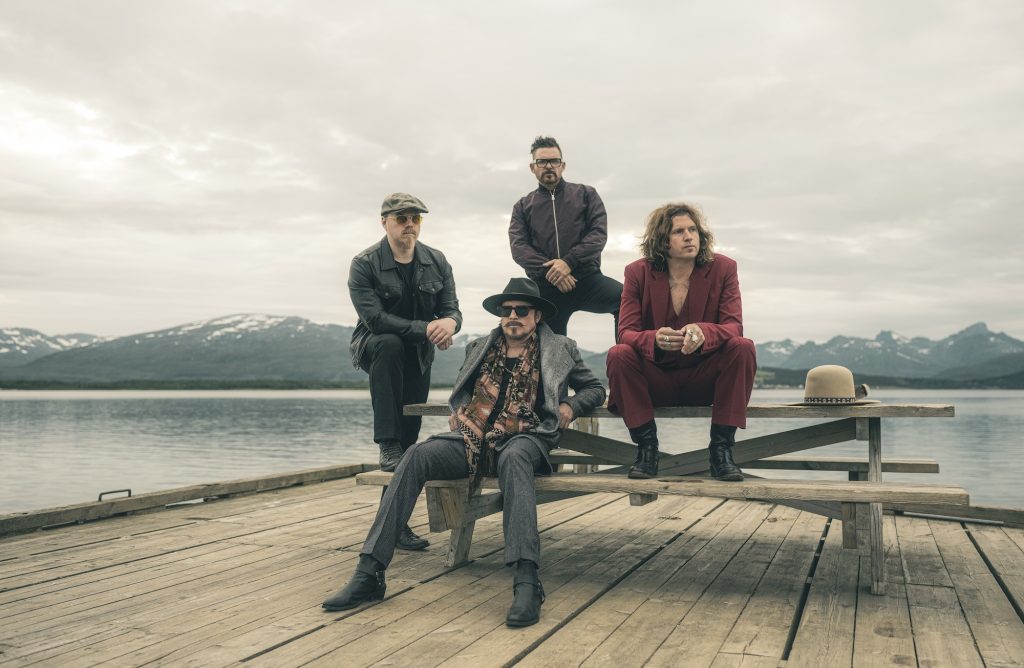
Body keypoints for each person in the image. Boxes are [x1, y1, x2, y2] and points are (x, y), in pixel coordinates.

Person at [324, 277, 606, 628]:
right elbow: (463, 393)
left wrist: (571, 405)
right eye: (506, 310)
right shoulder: (479, 347)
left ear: (537, 316)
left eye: (521, 310)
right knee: (417, 454)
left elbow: (595, 388)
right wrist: (459, 410)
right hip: (473, 439)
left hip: (526, 437)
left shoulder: (561, 348)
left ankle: (527, 581)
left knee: (514, 458)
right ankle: (369, 572)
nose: (512, 316)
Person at [606, 203, 756, 481]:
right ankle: (647, 449)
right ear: (662, 240)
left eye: (693, 230)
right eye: (679, 232)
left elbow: (734, 326)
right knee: (618, 353)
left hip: (704, 379)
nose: (689, 237)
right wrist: (653, 339)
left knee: (743, 347)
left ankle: (721, 452)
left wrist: (704, 332)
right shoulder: (636, 273)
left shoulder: (724, 268)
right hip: (655, 380)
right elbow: (625, 331)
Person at [348, 192, 462, 550]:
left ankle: (395, 526)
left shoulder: (437, 261)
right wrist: (427, 328)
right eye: (402, 218)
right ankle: (385, 441)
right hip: (376, 349)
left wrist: (449, 323)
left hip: (418, 356)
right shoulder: (364, 263)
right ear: (384, 222)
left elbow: (452, 309)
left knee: (409, 444)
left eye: (416, 218)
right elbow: (375, 319)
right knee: (390, 343)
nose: (410, 224)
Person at [508, 136, 622, 337]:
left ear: (563, 165)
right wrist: (553, 271)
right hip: (546, 287)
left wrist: (569, 262)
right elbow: (519, 248)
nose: (548, 166)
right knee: (552, 351)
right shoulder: (522, 206)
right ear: (532, 167)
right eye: (542, 162)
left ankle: (625, 356)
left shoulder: (586, 194)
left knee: (628, 300)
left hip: (587, 279)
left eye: (554, 161)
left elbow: (598, 234)